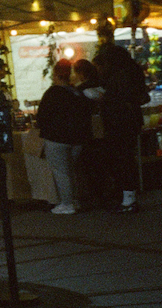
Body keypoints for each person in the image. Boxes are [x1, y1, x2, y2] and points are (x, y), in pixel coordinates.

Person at [93, 26, 148, 213]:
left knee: (122, 159)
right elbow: (142, 96)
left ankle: (128, 198)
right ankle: (127, 196)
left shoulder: (119, 76)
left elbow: (116, 98)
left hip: (120, 122)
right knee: (126, 158)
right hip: (130, 121)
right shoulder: (133, 72)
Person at [36, 59, 91, 214]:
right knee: (71, 170)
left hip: (57, 138)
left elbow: (42, 117)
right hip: (77, 138)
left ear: (56, 75)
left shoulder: (52, 94)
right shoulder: (76, 92)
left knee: (61, 171)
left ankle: (67, 203)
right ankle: (74, 200)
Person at [71, 58, 105, 201]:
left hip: (88, 131)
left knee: (89, 164)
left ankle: (94, 194)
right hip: (104, 128)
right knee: (101, 162)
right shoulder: (102, 85)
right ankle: (105, 192)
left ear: (80, 73)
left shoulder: (80, 90)